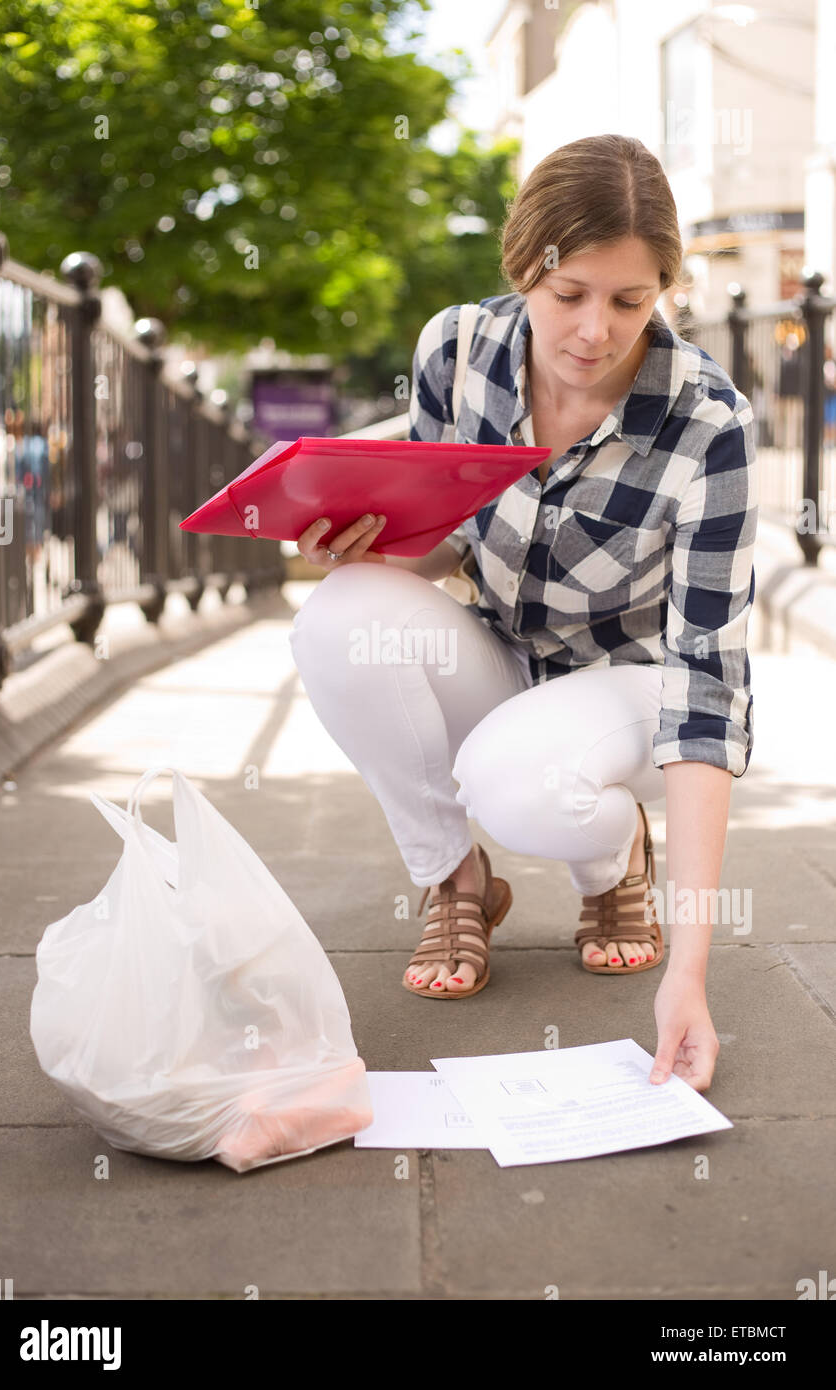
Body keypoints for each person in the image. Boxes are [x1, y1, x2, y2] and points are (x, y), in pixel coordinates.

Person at [288, 133, 757, 1093]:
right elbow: (444, 540)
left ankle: (615, 858)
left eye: (632, 300)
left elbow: (707, 687)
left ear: (665, 285)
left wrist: (691, 975)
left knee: (517, 784)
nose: (596, 330)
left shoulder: (710, 426)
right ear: (523, 270)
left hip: (625, 683)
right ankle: (456, 878)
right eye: (568, 295)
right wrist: (370, 544)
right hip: (502, 650)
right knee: (339, 615)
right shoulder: (457, 347)